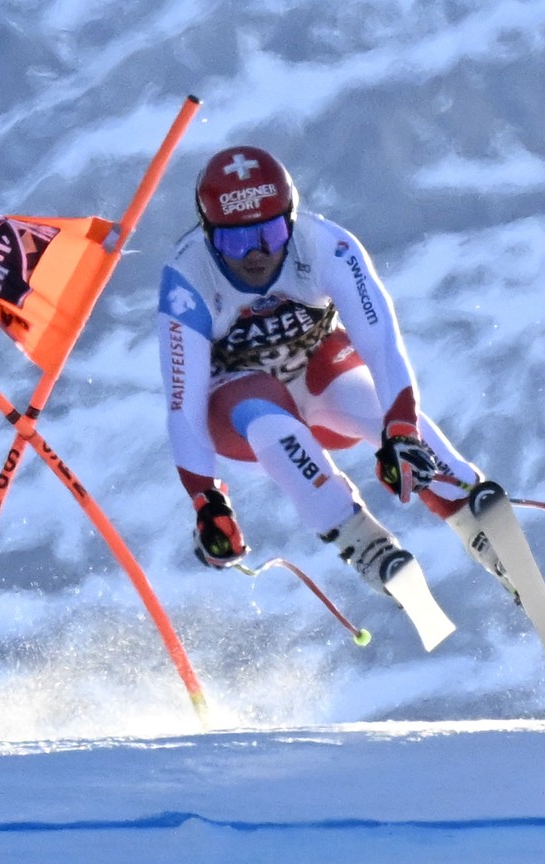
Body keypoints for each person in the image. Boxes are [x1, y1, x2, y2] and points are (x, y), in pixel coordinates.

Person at [156, 145, 511, 598]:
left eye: (270, 233)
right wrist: (207, 500)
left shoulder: (326, 246)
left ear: (292, 218)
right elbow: (183, 403)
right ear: (207, 233)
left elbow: (381, 344)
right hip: (242, 413)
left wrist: (401, 432)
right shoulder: (187, 279)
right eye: (234, 241)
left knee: (369, 399)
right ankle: (362, 542)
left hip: (322, 377)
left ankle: (469, 509)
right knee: (264, 409)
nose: (255, 256)